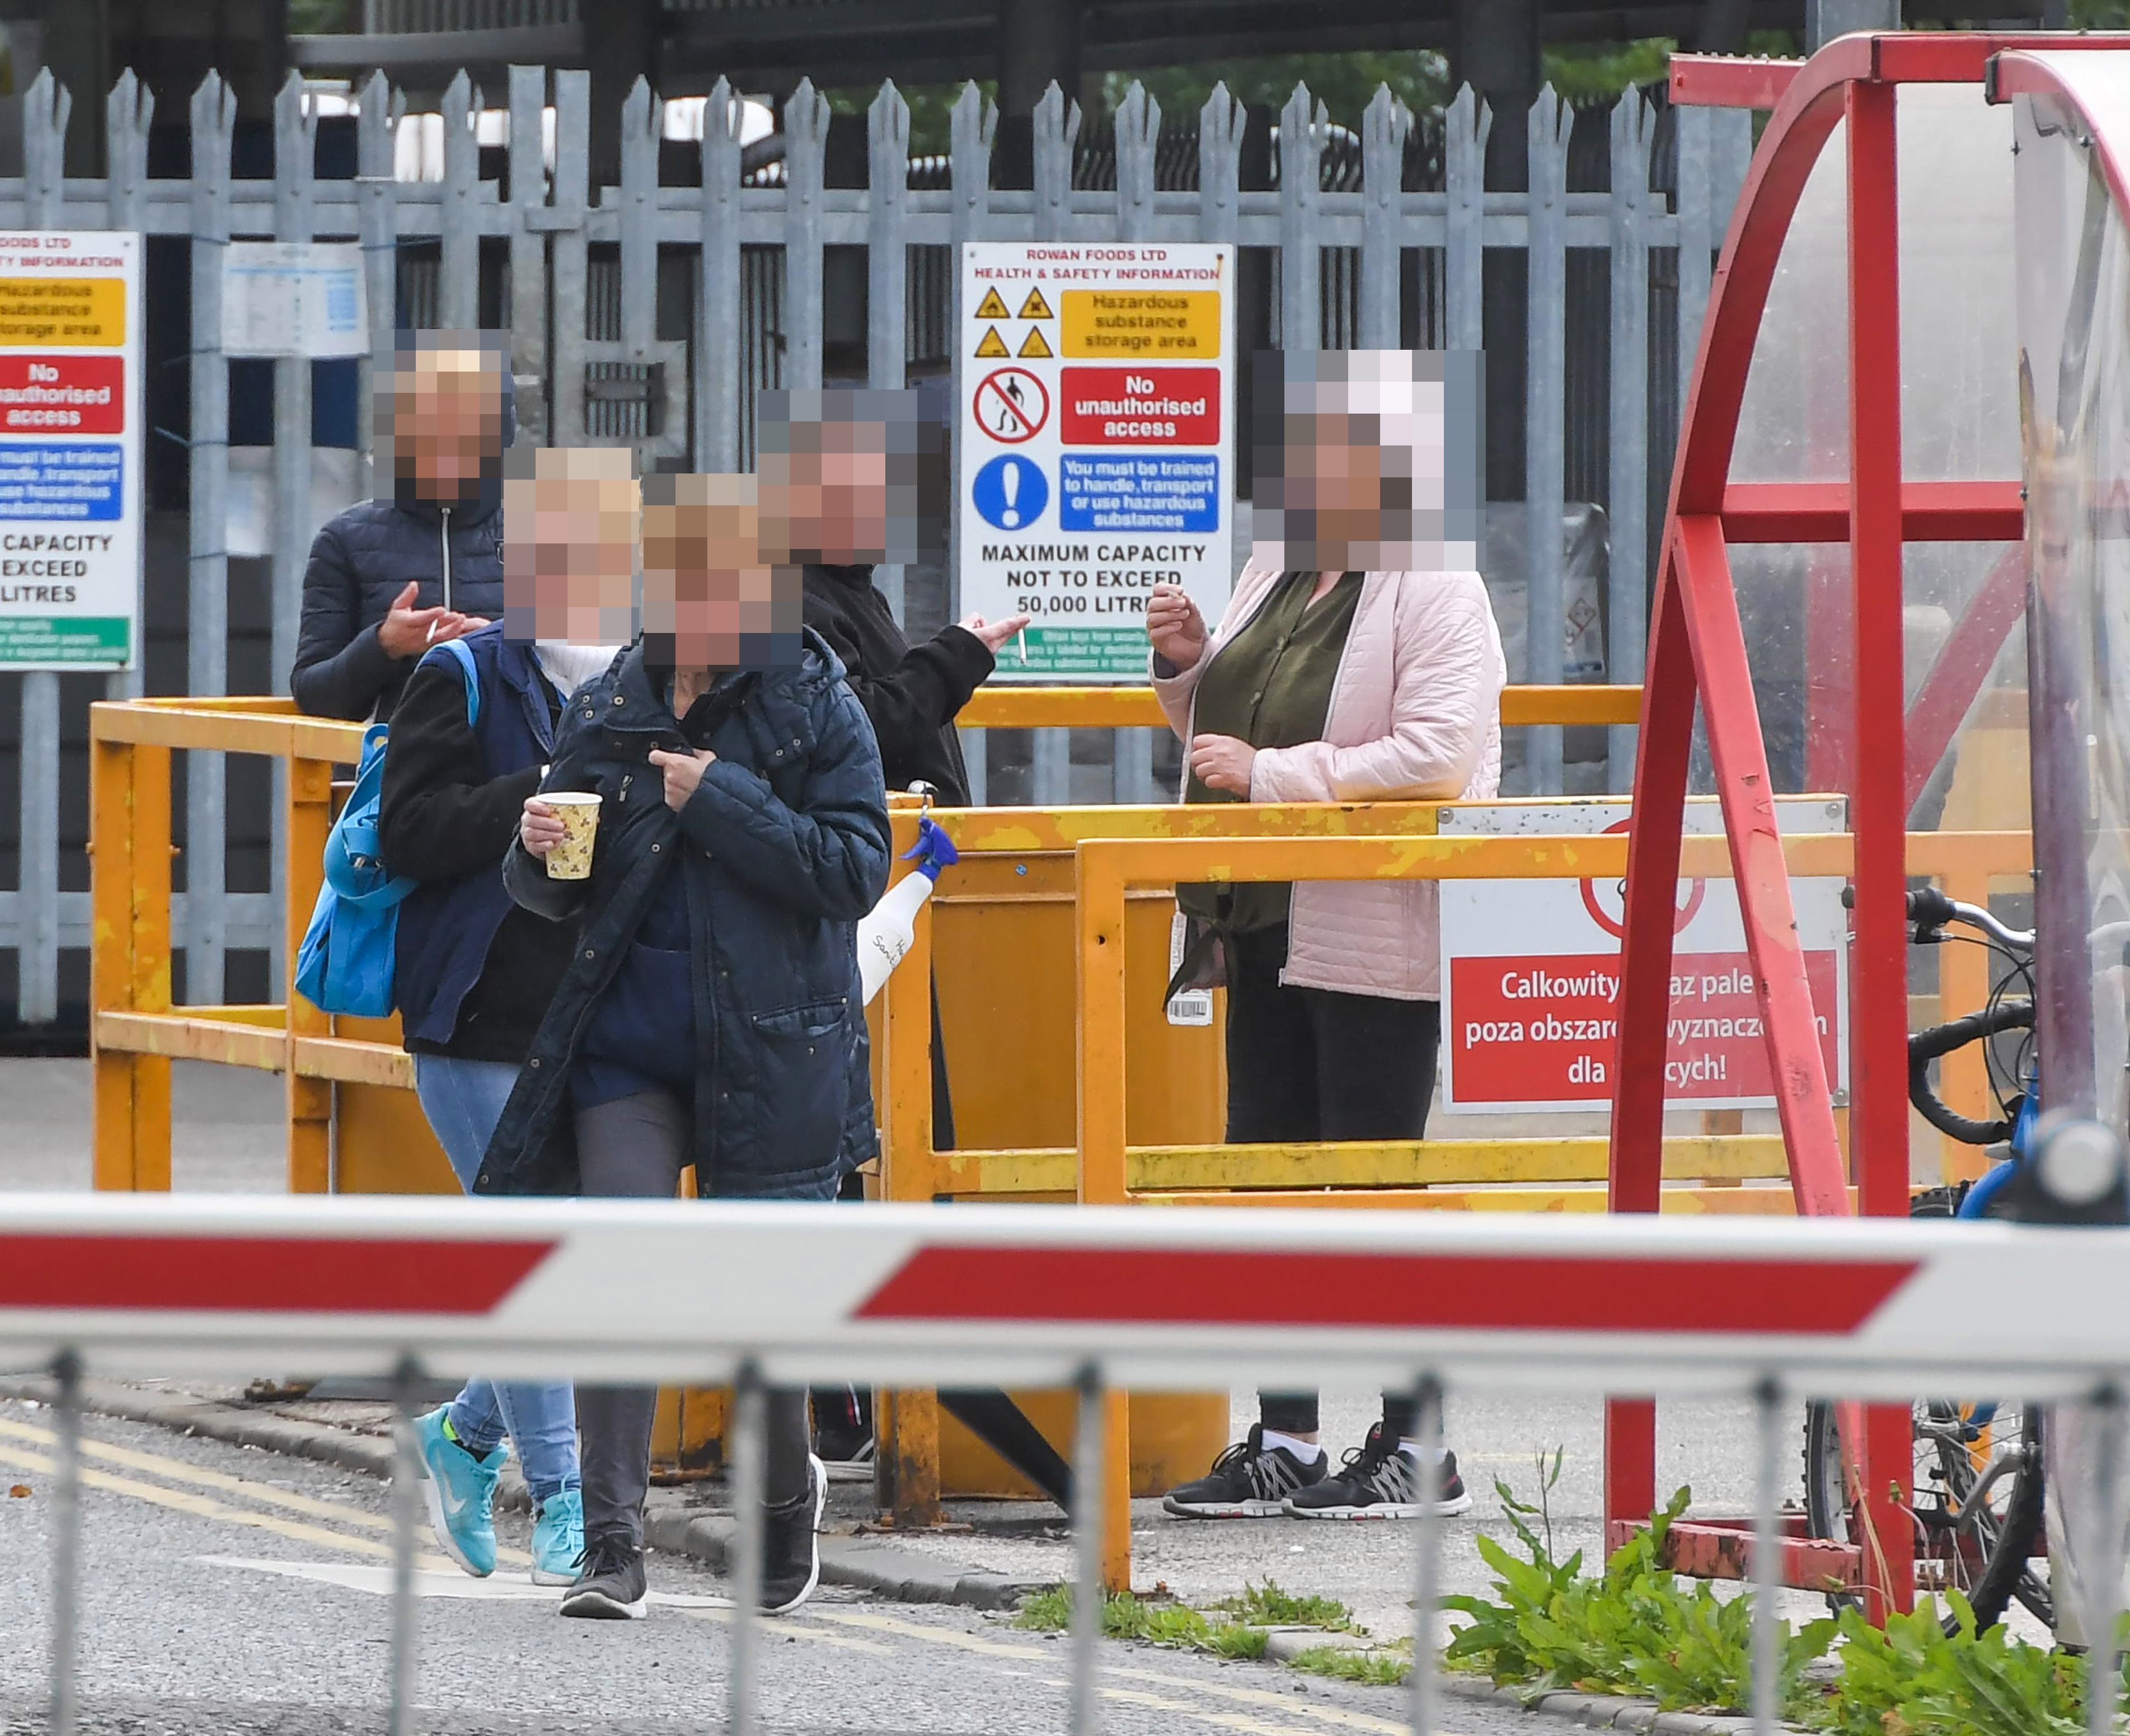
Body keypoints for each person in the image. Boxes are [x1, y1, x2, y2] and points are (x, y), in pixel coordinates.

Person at [480, 465, 890, 1619]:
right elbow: (557, 892)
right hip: (630, 1048)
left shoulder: (818, 702)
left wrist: (720, 800)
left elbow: (854, 870)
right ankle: (612, 1547)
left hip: (774, 1045)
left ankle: (783, 1499)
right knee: (622, 1269)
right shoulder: (614, 698)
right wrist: (534, 851)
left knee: (758, 1312)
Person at [1153, 349, 1503, 1521]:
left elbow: (1438, 754)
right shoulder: (1275, 566)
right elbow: (1230, 721)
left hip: (1369, 927)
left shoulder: (1436, 584)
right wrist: (1185, 668)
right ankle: (1287, 1439)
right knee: (1267, 1182)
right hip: (1257, 915)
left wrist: (1273, 775)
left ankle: (1420, 1446)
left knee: (1376, 1187)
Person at [758, 388, 1068, 1500]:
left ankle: (846, 1394)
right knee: (871, 1155)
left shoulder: (844, 592)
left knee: (884, 1153)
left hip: (886, 911)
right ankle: (851, 1397)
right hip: (846, 920)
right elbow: (864, 726)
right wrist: (958, 655)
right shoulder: (788, 601)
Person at [374, 449, 632, 1587]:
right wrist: (525, 799)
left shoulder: (646, 677)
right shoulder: (464, 673)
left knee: (570, 1261)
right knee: (535, 1252)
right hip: (474, 1013)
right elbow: (408, 830)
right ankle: (565, 1501)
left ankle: (465, 1433)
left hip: (598, 1016)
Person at [290, 331, 513, 720]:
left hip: (527, 759)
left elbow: (605, 681)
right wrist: (384, 646)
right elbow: (314, 697)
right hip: (392, 756)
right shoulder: (344, 539)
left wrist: (503, 648)